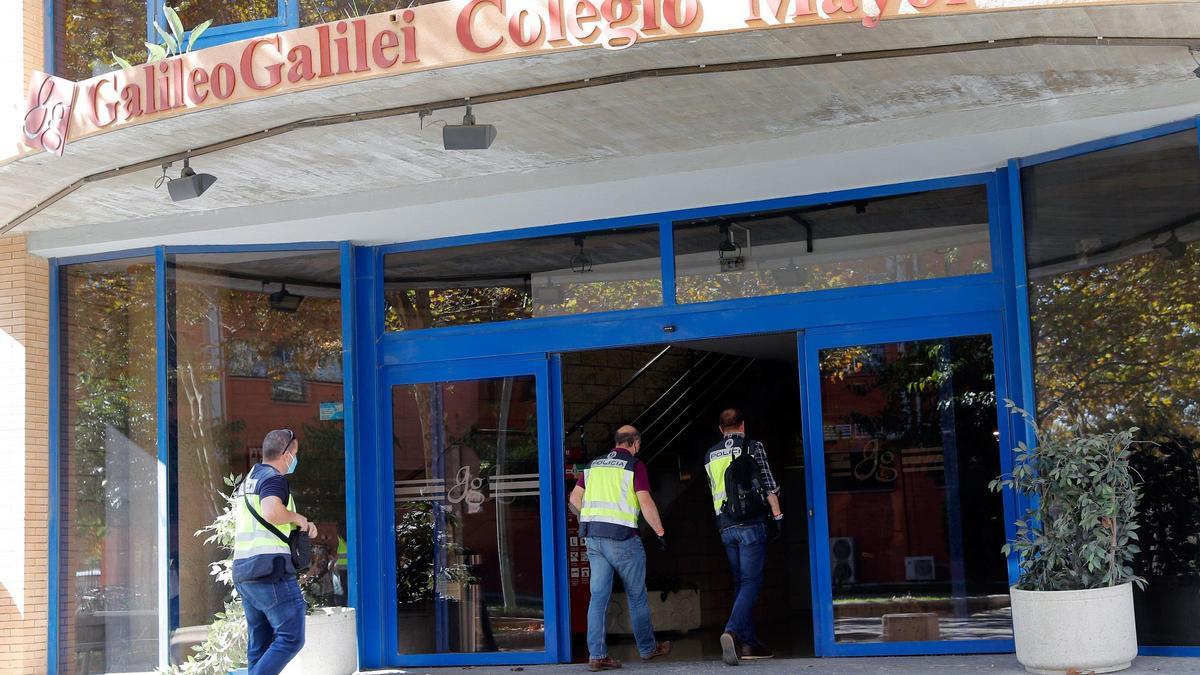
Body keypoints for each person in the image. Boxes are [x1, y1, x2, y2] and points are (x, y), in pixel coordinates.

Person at [569, 425, 672, 671]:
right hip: (623, 539)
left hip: (594, 539)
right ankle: (647, 649)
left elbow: (574, 499)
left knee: (598, 599)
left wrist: (587, 520)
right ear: (635, 442)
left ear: (616, 442)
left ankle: (596, 655)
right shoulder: (634, 465)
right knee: (636, 596)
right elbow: (645, 501)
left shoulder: (593, 465)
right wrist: (660, 532)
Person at [233, 429, 319, 675]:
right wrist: (298, 518)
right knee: (291, 637)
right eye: (295, 453)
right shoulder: (273, 479)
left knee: (260, 644)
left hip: (245, 573)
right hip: (271, 572)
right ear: (285, 454)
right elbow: (271, 511)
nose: (295, 459)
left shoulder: (250, 479)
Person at [703, 409, 784, 666]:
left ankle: (749, 643)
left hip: (725, 526)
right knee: (752, 581)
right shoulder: (753, 446)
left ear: (720, 429)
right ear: (742, 425)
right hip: (750, 523)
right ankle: (731, 630)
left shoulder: (710, 455)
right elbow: (768, 483)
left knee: (741, 582)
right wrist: (777, 514)